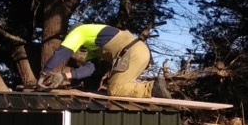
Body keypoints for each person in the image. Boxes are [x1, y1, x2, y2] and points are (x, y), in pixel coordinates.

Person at [38, 24, 171, 98]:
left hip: (133, 53)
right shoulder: (94, 44)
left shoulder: (79, 31)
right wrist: (63, 76)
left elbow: (63, 52)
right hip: (141, 51)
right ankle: (152, 87)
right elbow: (90, 69)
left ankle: (152, 88)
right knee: (121, 85)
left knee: (115, 89)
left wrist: (44, 73)